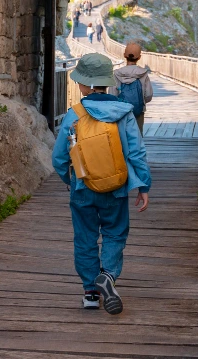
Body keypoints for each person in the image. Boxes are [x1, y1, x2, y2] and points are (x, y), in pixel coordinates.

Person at [52, 53, 151, 314]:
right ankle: (107, 275)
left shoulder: (74, 115)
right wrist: (143, 186)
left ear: (83, 85)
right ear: (108, 83)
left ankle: (90, 293)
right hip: (116, 187)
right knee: (115, 233)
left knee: (85, 237)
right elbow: (137, 152)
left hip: (83, 186)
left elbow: (60, 157)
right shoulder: (124, 113)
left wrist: (69, 180)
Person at [109, 42, 154, 135]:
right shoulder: (143, 73)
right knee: (137, 136)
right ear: (139, 57)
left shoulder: (117, 73)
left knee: (122, 136)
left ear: (124, 55)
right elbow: (148, 95)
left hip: (121, 112)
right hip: (138, 111)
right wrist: (140, 101)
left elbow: (112, 95)